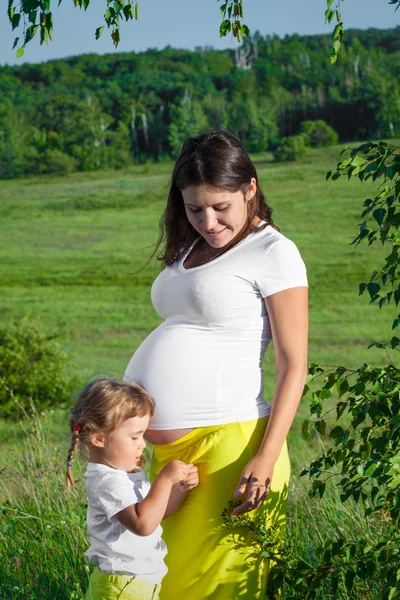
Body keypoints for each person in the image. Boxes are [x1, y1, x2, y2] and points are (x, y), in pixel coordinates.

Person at [124, 130, 308, 599]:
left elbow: (293, 364)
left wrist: (265, 458)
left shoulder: (273, 252)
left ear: (250, 188)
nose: (208, 221)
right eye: (194, 208)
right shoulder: (192, 247)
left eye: (220, 207)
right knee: (163, 587)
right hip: (176, 460)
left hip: (232, 449)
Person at [66, 377, 199, 600]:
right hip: (122, 586)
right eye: (135, 436)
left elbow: (156, 514)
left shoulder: (126, 474)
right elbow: (143, 524)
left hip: (137, 584)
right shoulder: (108, 481)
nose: (143, 444)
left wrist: (178, 489)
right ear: (99, 438)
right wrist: (164, 480)